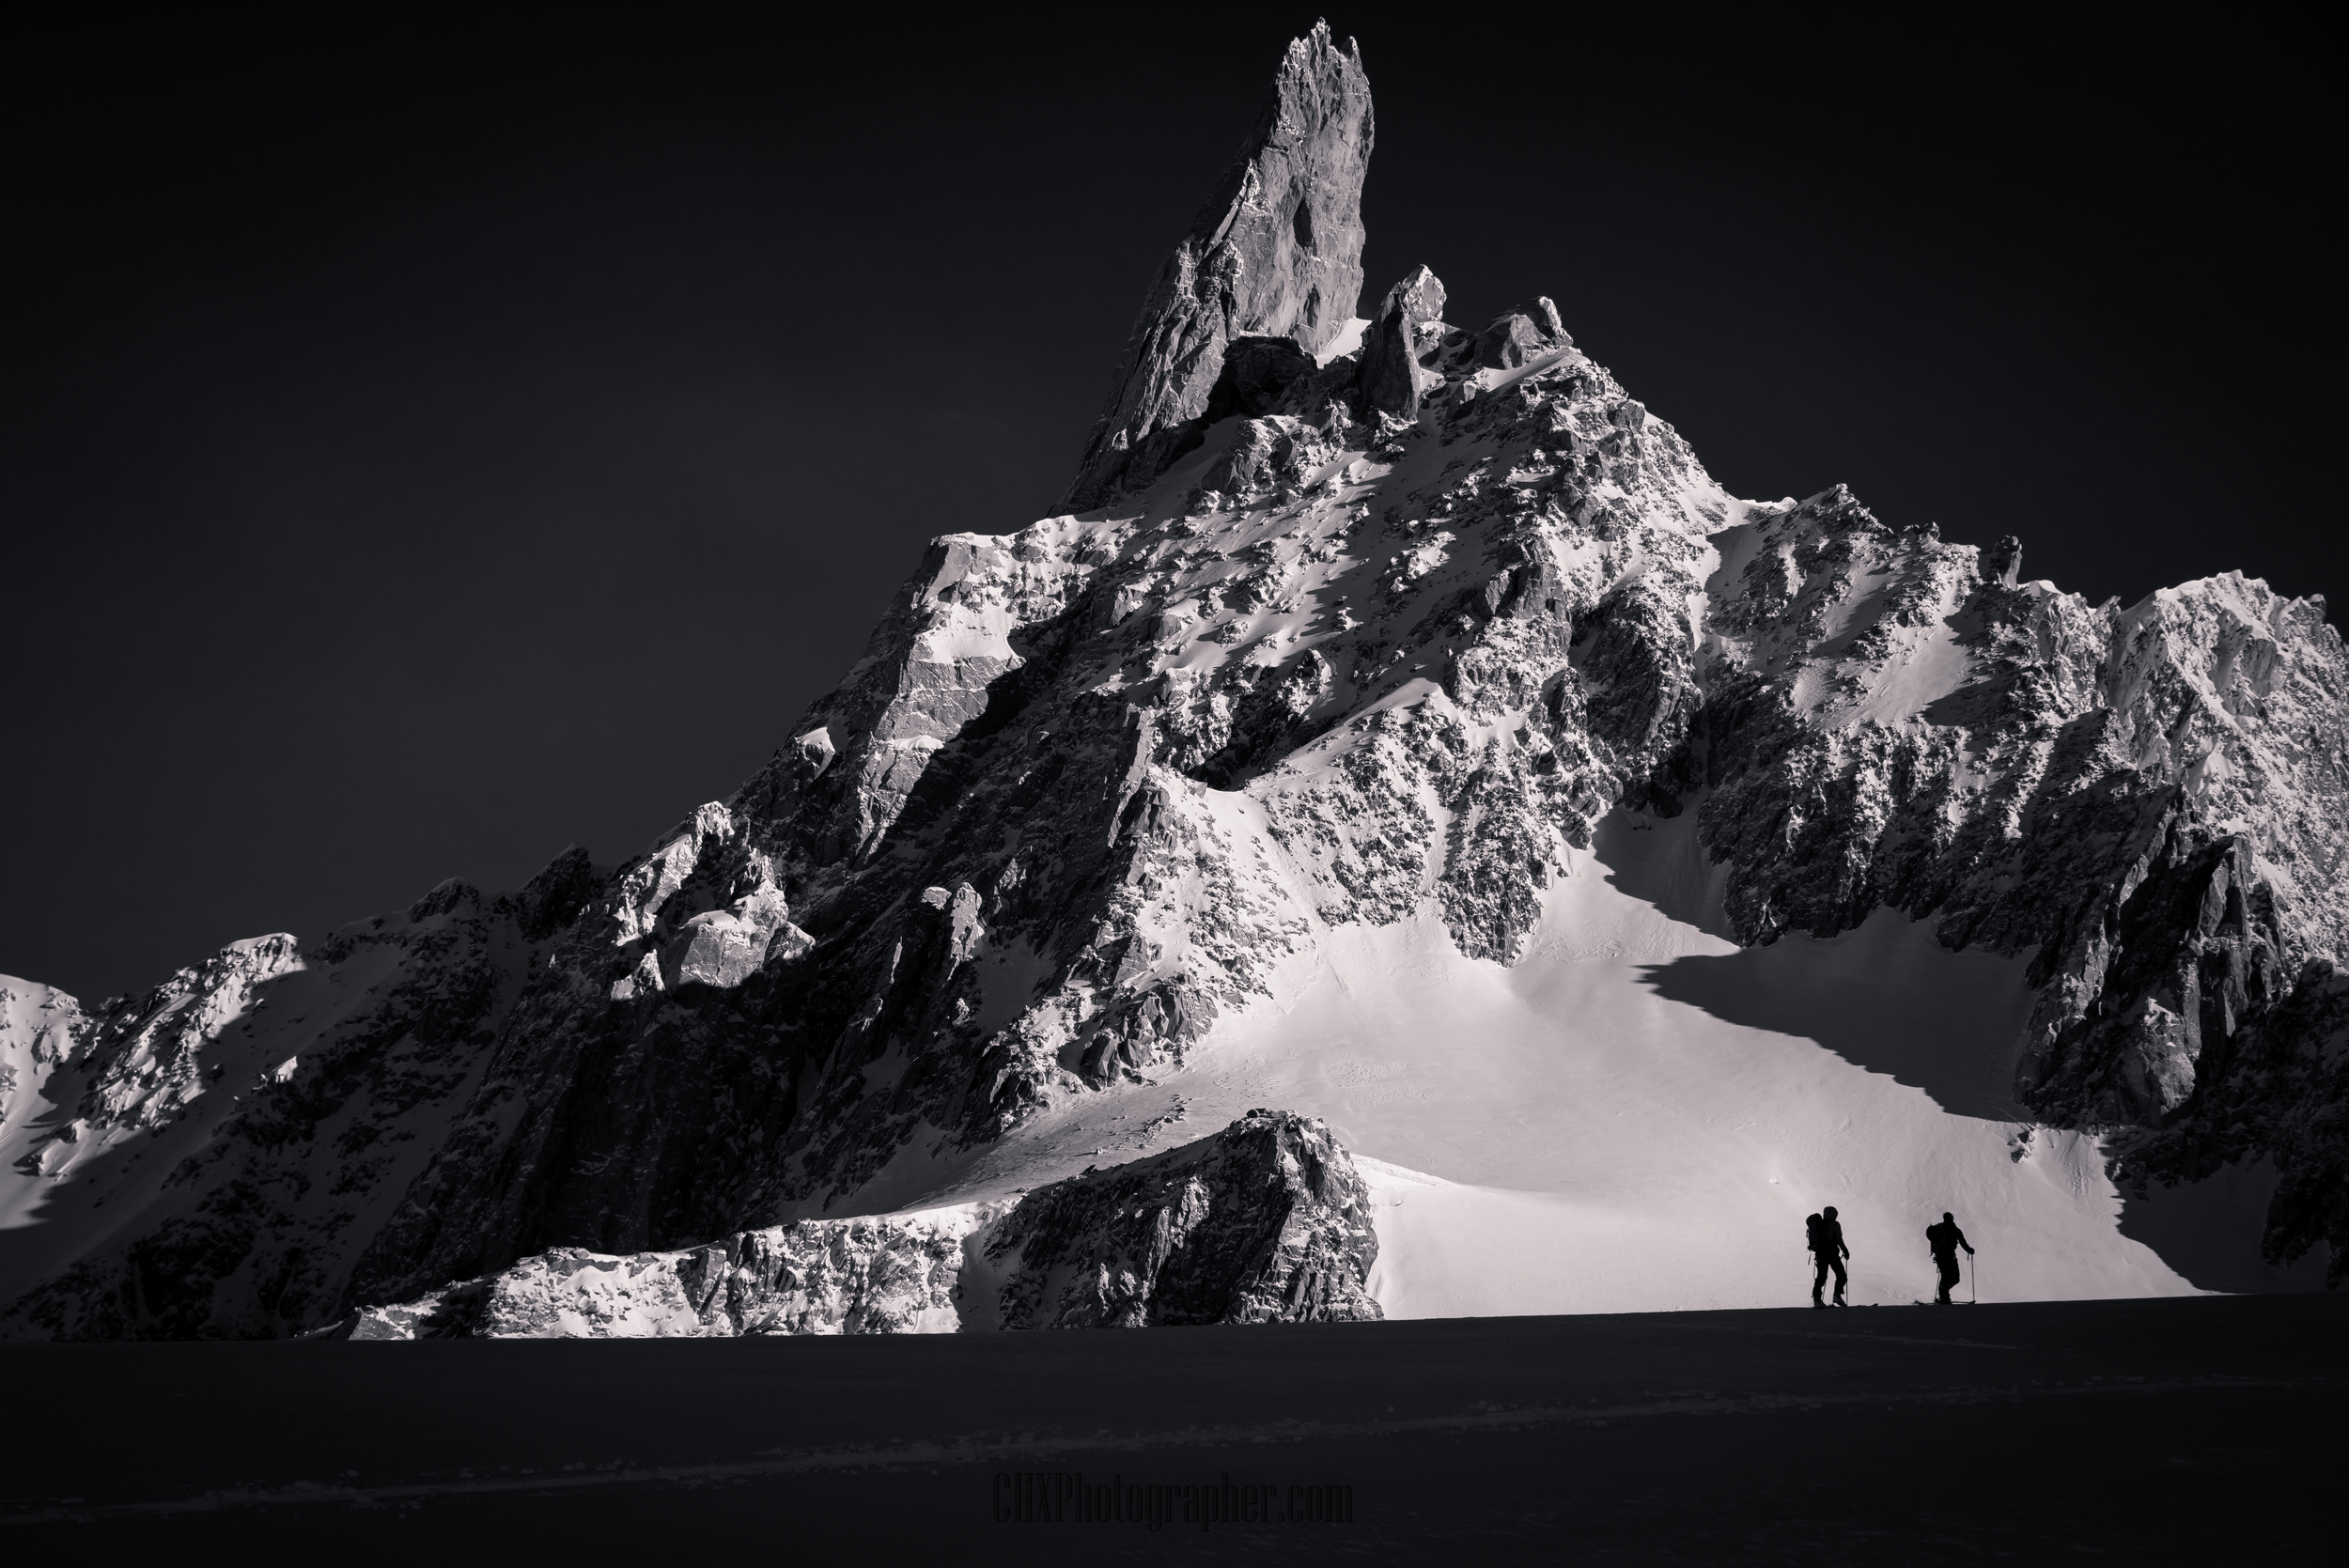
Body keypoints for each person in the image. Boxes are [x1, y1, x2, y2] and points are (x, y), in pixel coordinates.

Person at [1925, 1211, 1974, 1304]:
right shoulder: (1955, 1230)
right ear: (1952, 1218)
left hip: (1939, 1257)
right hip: (1949, 1256)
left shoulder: (1938, 1228)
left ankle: (1944, 1296)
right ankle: (1944, 1292)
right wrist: (1970, 1250)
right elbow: (1963, 1243)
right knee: (1955, 1278)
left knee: (1945, 1275)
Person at [1807, 1205, 1849, 1307]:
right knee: (1841, 1275)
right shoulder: (1835, 1224)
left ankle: (1817, 1299)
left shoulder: (1819, 1224)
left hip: (1820, 1255)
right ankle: (1837, 1295)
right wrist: (1845, 1251)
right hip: (1832, 1254)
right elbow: (1839, 1239)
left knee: (1821, 1277)